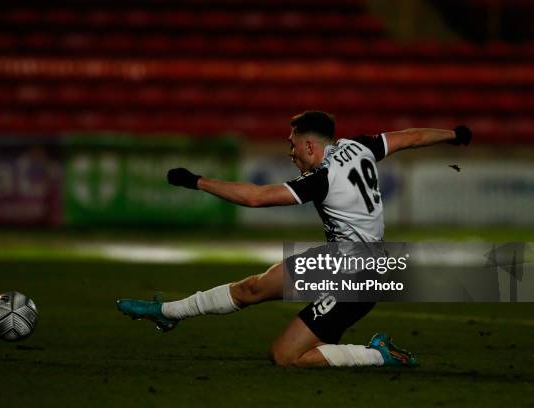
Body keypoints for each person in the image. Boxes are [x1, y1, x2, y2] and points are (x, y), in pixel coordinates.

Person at [117, 111, 472, 368]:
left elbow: (256, 197)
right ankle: (167, 312)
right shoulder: (360, 147)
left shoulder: (322, 178)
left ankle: (378, 354)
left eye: (291, 145)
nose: (289, 153)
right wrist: (453, 134)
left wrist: (197, 181)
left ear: (309, 144)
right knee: (253, 288)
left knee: (286, 356)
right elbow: (409, 137)